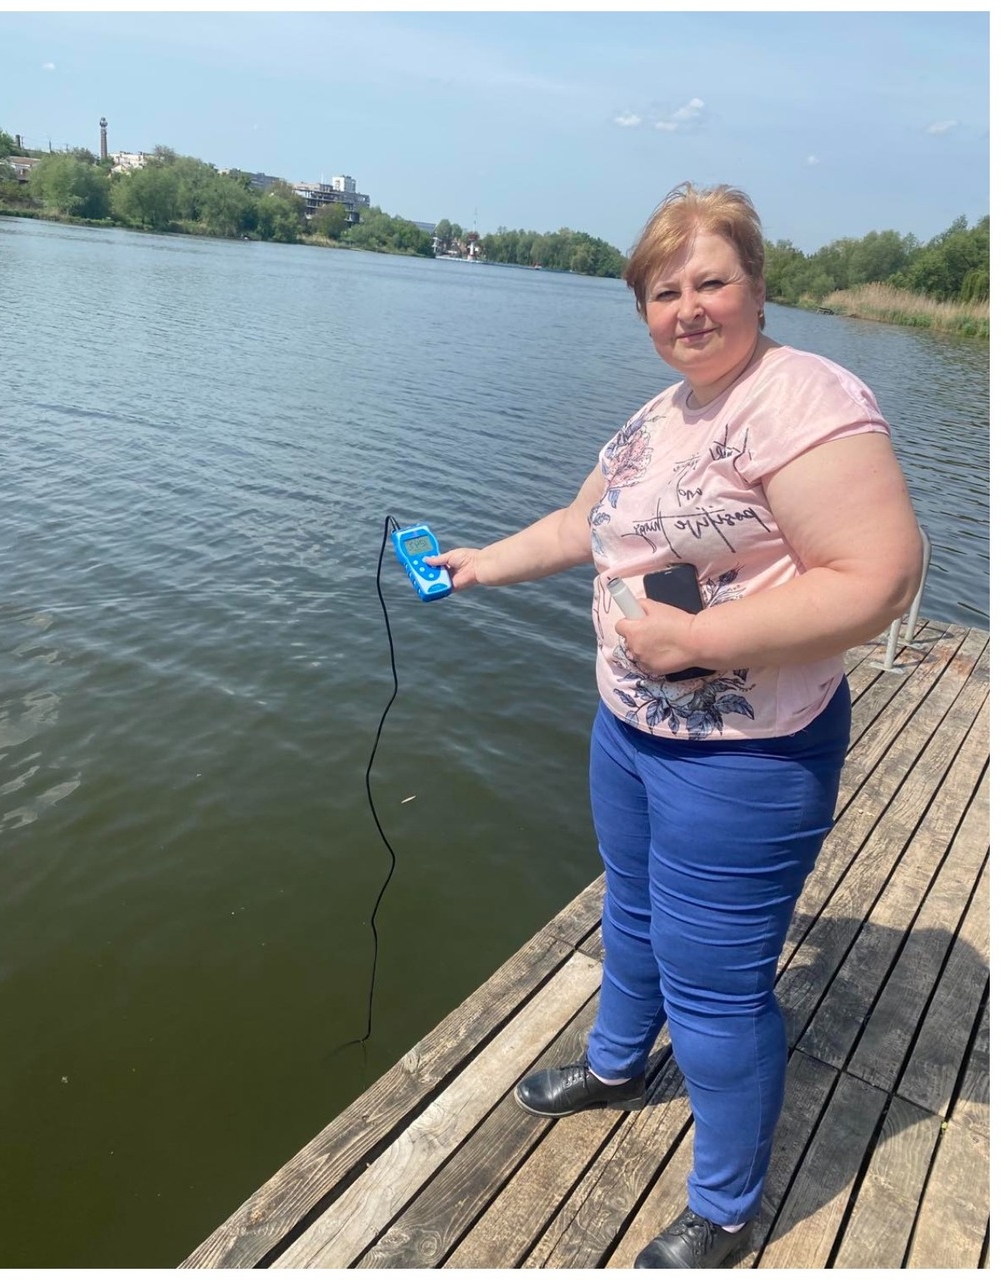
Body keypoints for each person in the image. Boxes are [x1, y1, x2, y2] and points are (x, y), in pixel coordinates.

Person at [428, 183, 923, 1268]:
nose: (686, 307)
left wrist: (700, 641)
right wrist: (478, 565)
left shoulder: (802, 399)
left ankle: (726, 1204)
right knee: (634, 915)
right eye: (663, 290)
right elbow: (576, 523)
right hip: (630, 730)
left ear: (755, 284)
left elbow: (879, 577)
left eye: (709, 281)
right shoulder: (657, 417)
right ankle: (616, 1064)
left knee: (715, 986)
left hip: (744, 758)